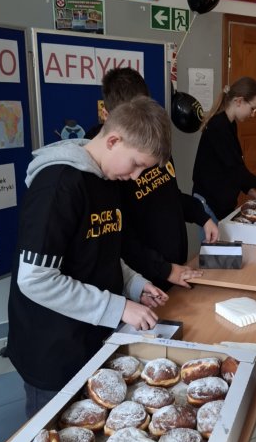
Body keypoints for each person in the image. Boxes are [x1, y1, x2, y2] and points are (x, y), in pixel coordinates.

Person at [6, 97, 171, 419]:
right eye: (136, 164)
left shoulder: (107, 179)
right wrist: (119, 307)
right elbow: (35, 279)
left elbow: (100, 250)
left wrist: (135, 285)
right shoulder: (58, 185)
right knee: (54, 433)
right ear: (113, 141)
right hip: (52, 350)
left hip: (92, 339)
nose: (136, 176)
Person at [86, 66, 219, 290]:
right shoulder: (106, 168)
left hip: (173, 268)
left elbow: (169, 196)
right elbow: (121, 237)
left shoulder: (152, 141)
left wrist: (201, 215)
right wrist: (163, 269)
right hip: (144, 280)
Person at [192, 76, 256, 222]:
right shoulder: (218, 127)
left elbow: (235, 169)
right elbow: (238, 172)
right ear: (239, 101)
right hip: (210, 203)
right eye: (253, 108)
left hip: (221, 202)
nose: (253, 114)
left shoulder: (230, 124)